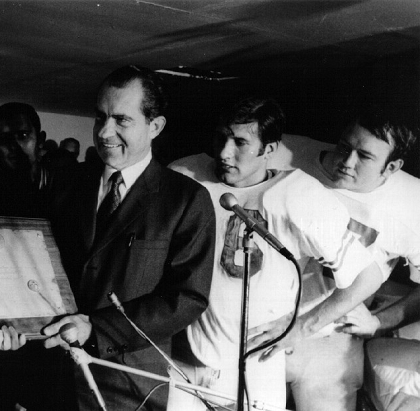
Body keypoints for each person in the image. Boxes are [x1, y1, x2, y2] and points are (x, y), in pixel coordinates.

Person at [166, 97, 383, 410]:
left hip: (254, 363)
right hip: (183, 356)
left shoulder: (299, 195)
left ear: (268, 150)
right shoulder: (186, 174)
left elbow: (368, 275)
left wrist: (300, 327)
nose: (225, 153)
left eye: (240, 142)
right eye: (221, 138)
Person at [42, 65, 216, 410]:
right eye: (100, 117)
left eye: (122, 120)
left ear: (155, 126)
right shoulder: (66, 184)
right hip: (54, 374)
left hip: (129, 382)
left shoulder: (185, 199)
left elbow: (187, 297)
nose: (105, 132)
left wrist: (97, 330)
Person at [266, 106, 420, 411]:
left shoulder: (412, 204)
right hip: (261, 322)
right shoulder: (285, 154)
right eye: (344, 147)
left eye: (364, 157)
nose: (346, 162)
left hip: (328, 340)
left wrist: (378, 322)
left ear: (392, 167)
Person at [0, 102, 77, 411]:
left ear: (41, 138)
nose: (16, 146)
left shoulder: (72, 194)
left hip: (55, 341)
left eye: (23, 134)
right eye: (5, 139)